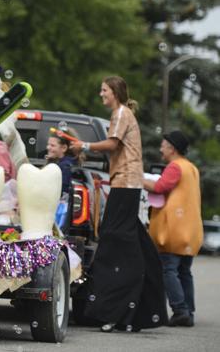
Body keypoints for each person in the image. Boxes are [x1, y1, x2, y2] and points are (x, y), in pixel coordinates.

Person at [72, 76, 167, 332]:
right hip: (125, 182)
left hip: (125, 183)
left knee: (114, 242)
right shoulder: (123, 113)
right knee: (134, 245)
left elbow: (112, 144)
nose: (100, 94)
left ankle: (115, 309)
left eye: (103, 90)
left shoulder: (121, 113)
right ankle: (140, 311)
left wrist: (85, 144)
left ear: (114, 92)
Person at [143, 130, 203, 327]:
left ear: (172, 148)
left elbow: (160, 187)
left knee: (169, 269)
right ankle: (188, 311)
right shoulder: (191, 168)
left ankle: (180, 310)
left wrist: (138, 179)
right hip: (190, 230)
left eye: (163, 145)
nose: (161, 148)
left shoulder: (175, 167)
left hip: (173, 230)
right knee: (185, 271)